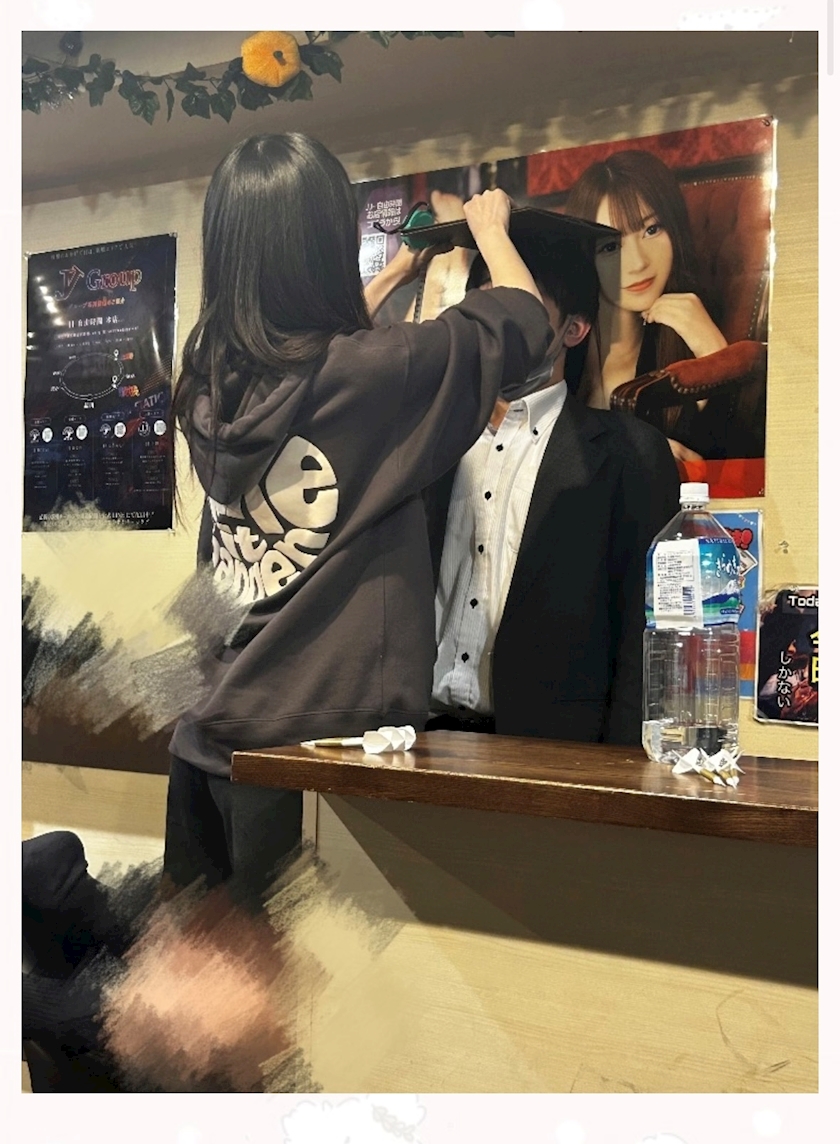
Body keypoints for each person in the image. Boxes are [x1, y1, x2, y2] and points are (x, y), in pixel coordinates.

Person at [165, 133, 553, 909]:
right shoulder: (381, 373)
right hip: (319, 752)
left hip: (209, 740)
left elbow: (320, 360)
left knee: (200, 977)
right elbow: (524, 322)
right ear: (325, 246)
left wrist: (400, 270)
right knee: (311, 987)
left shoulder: (210, 381)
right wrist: (489, 229)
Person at [417, 235, 680, 744]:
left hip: (551, 749)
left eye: (521, 308)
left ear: (573, 329)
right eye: (487, 309)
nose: (500, 328)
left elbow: (644, 630)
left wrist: (623, 768)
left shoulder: (628, 452)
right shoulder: (431, 443)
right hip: (416, 735)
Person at [565, 149, 764, 465]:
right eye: (611, 246)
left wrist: (713, 351)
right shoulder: (563, 355)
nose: (638, 262)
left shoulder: (683, 346)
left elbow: (739, 464)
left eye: (651, 230)